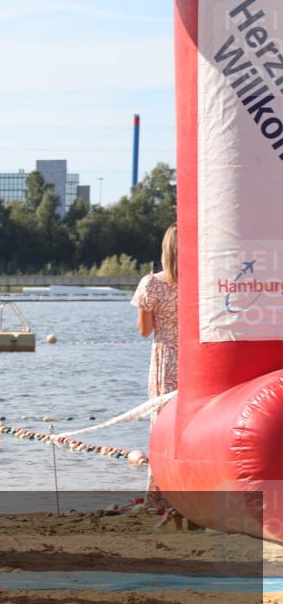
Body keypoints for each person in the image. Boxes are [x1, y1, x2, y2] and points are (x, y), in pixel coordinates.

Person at [132, 223, 179, 526]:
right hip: (197, 357)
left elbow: (145, 330)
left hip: (166, 359)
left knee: (161, 425)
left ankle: (157, 494)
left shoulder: (151, 283)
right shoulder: (201, 281)